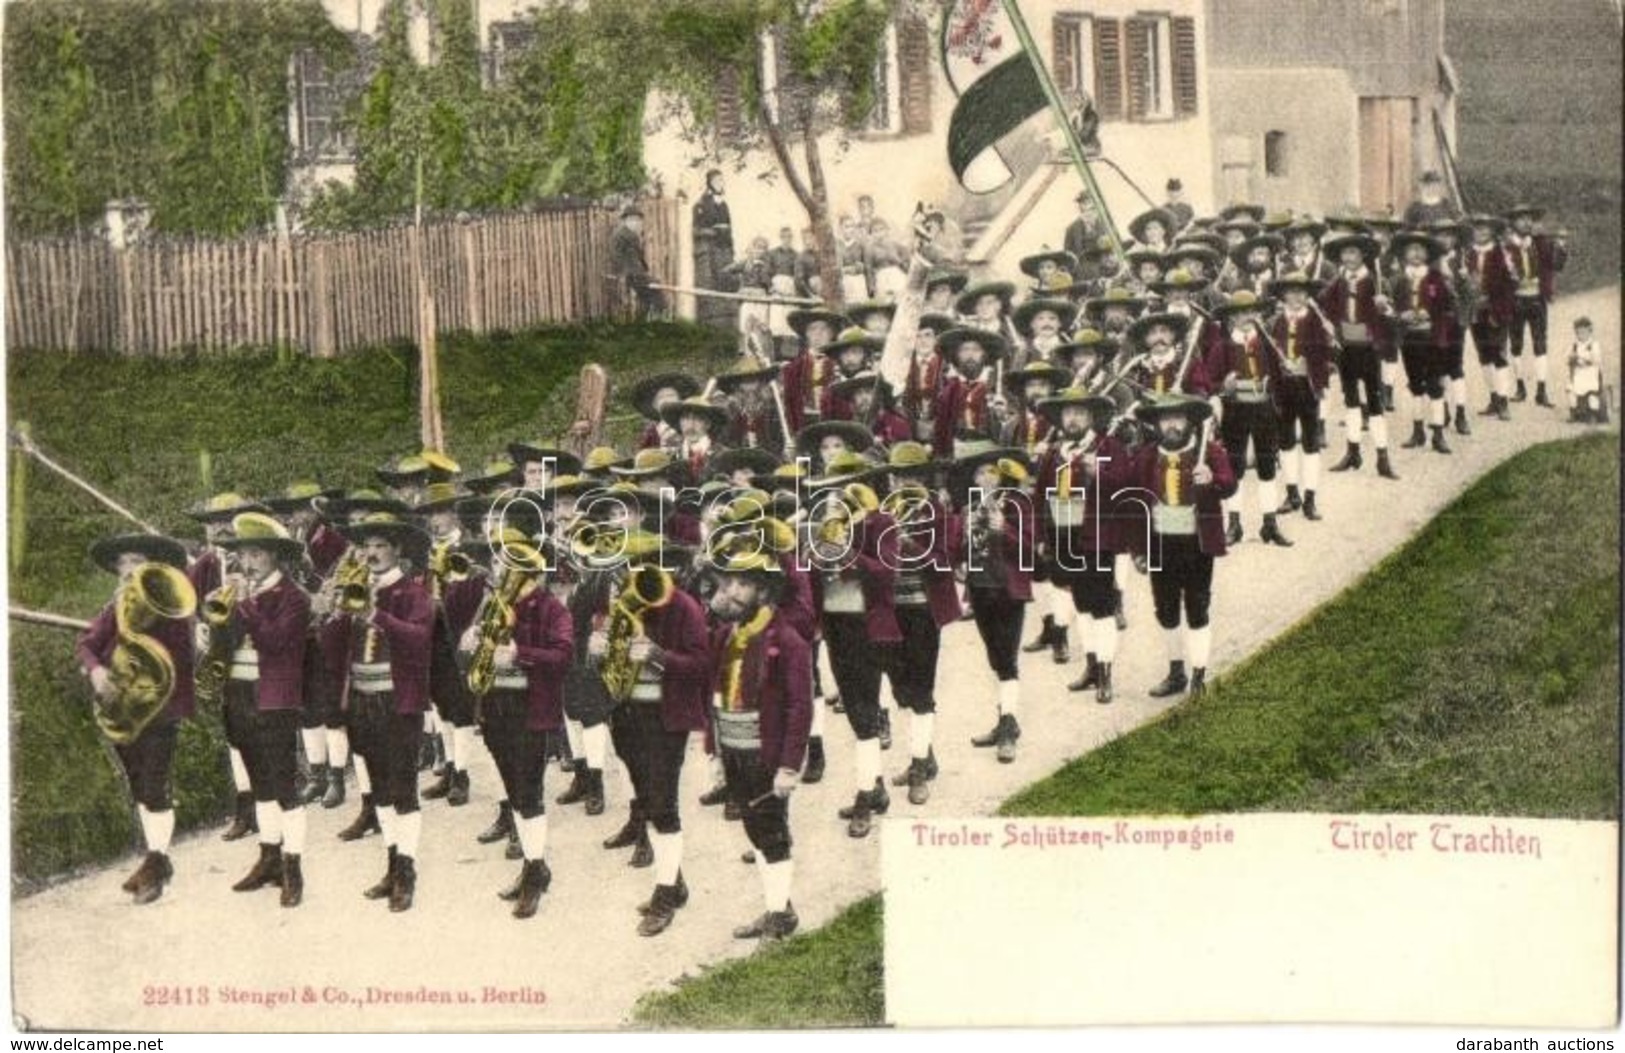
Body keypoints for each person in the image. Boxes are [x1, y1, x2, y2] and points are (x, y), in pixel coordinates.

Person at [588, 532, 711, 936]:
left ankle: (663, 893)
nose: (634, 574)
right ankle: (673, 883)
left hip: (665, 717)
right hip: (627, 713)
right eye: (629, 565)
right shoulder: (624, 602)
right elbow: (609, 662)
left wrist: (658, 655)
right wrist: (600, 648)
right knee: (647, 801)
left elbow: (700, 665)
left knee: (663, 805)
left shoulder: (684, 607)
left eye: (645, 563)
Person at [75, 533, 197, 904]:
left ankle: (155, 865)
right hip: (124, 709)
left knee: (154, 786)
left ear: (153, 565)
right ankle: (157, 861)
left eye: (136, 561)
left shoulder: (170, 602)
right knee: (139, 787)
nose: (128, 569)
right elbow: (86, 643)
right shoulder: (116, 604)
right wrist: (96, 671)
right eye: (123, 563)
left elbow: (183, 655)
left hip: (161, 708)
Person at [323, 511, 435, 913]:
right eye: (366, 546)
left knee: (403, 790)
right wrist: (336, 614)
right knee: (380, 790)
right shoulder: (355, 589)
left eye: (380, 546)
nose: (371, 554)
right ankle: (392, 862)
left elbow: (420, 640)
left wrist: (376, 615)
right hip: (361, 704)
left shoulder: (413, 593)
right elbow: (332, 649)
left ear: (397, 550)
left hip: (398, 704)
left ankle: (407, 871)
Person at [463, 529, 573, 920]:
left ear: (531, 574)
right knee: (514, 790)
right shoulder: (494, 605)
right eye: (502, 567)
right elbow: (477, 652)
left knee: (529, 795)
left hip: (531, 711)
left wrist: (520, 654)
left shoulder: (551, 609)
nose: (502, 576)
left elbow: (562, 657)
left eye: (510, 570)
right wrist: (473, 639)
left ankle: (534, 870)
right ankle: (534, 867)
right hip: (495, 709)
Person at [707, 550, 813, 943]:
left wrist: (789, 766)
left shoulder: (787, 641)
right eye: (728, 582)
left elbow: (800, 706)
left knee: (772, 833)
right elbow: (715, 695)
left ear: (765, 592)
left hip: (766, 757)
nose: (730, 592)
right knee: (754, 831)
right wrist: (715, 752)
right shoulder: (726, 635)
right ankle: (777, 906)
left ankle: (778, 916)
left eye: (743, 584)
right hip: (735, 752)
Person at [214, 513, 312, 908]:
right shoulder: (241, 595)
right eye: (242, 555)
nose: (247, 563)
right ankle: (269, 857)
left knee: (285, 788)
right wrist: (216, 623)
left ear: (274, 556)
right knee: (260, 785)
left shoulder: (294, 597)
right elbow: (227, 644)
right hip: (239, 696)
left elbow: (276, 641)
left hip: (275, 699)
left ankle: (293, 868)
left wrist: (246, 606)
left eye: (255, 554)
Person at [1112, 395, 1237, 700]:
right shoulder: (1146, 457)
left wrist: (1212, 478)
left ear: (1189, 421)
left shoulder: (1208, 451)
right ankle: (1176, 671)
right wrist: (1137, 550)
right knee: (1165, 609)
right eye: (1165, 419)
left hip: (1196, 543)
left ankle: (1198, 674)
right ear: (1156, 424)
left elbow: (1229, 483)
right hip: (1159, 543)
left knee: (1197, 608)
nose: (1171, 425)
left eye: (1177, 418)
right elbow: (1132, 503)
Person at [805, 452, 900, 837]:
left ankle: (865, 794)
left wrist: (849, 553)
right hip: (835, 624)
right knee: (855, 709)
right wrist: (814, 553)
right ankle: (875, 785)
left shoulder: (881, 522)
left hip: (866, 624)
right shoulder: (821, 522)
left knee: (863, 715)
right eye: (833, 487)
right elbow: (812, 576)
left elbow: (886, 573)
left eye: (847, 486)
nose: (838, 494)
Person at [1032, 390, 1126, 701]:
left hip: (1097, 540)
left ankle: (1106, 672)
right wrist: (1042, 538)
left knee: (1101, 607)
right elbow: (1040, 498)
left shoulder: (1108, 447)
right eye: (1067, 414)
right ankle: (1091, 666)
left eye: (1079, 413)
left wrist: (1100, 473)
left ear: (1091, 418)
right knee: (1081, 605)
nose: (1072, 419)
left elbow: (1127, 488)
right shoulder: (1055, 453)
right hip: (1064, 540)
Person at [951, 448, 1035, 763]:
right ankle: (1004, 719)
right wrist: (960, 554)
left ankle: (1009, 727)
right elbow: (959, 550)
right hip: (980, 589)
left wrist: (1005, 530)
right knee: (996, 660)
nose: (987, 478)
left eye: (992, 472)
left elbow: (1030, 549)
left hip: (1008, 590)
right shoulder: (968, 507)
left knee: (1008, 659)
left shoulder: (1017, 505)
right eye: (981, 473)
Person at [1205, 291, 1292, 547]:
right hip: (1236, 411)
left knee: (1267, 467)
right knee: (1235, 468)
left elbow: (1279, 378)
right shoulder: (1222, 347)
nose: (1246, 317)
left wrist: (1283, 377)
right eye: (1240, 313)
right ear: (1231, 319)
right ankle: (1234, 524)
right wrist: (1225, 386)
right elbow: (1211, 384)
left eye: (1251, 312)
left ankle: (1270, 524)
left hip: (1264, 409)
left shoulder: (1268, 345)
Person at [1320, 232, 1400, 480]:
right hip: (1346, 348)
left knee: (1375, 403)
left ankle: (1382, 457)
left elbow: (1392, 316)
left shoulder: (1377, 282)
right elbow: (1325, 304)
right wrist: (1328, 325)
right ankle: (1352, 452)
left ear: (1363, 255)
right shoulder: (1338, 281)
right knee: (1351, 400)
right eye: (1344, 253)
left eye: (1353, 252)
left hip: (1369, 349)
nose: (1348, 257)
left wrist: (1384, 306)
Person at [1268, 273, 1338, 521]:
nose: (1296, 297)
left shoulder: (1317, 321)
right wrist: (1281, 366)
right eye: (1290, 292)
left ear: (1308, 296)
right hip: (1285, 388)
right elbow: (1270, 355)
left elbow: (1328, 354)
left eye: (1301, 292)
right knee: (1286, 442)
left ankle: (1310, 498)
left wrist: (1308, 361)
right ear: (1283, 296)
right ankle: (1292, 493)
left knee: (1310, 443)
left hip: (1308, 387)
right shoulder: (1276, 322)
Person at [1385, 231, 1458, 455]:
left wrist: (1432, 313)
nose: (1416, 254)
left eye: (1420, 249)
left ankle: (1437, 432)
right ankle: (1418, 431)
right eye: (1411, 249)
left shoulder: (1437, 278)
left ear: (1428, 254)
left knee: (1435, 384)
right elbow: (1388, 308)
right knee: (1415, 383)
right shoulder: (1397, 280)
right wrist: (1400, 315)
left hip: (1432, 337)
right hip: (1410, 338)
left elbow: (1450, 305)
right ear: (1404, 254)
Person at [1501, 203, 1567, 406]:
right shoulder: (1505, 246)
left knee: (1540, 343)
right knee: (1516, 344)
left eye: (1530, 218)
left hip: (1537, 298)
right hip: (1515, 300)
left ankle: (1541, 390)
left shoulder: (1540, 243)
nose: (1527, 222)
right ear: (1512, 223)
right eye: (1521, 218)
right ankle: (1520, 386)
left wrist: (1562, 247)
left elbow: (1556, 265)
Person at [1461, 214, 1517, 421]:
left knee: (1499, 354)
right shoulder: (1467, 254)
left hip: (1496, 309)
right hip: (1476, 311)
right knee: (1483, 354)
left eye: (1485, 229)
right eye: (1477, 229)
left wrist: (1500, 310)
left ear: (1492, 231)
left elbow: (1512, 284)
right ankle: (1493, 397)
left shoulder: (1502, 253)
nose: (1481, 232)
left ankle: (1503, 401)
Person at [693, 170, 734, 328]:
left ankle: (724, 325)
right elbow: (695, 230)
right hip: (709, 250)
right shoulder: (701, 204)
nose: (721, 183)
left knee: (726, 282)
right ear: (709, 182)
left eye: (722, 180)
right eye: (717, 180)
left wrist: (731, 250)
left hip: (724, 250)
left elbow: (729, 229)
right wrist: (713, 231)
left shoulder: (724, 205)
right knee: (709, 286)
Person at [612, 205, 665, 320]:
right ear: (625, 220)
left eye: (638, 220)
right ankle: (656, 319)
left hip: (636, 273)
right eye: (632, 220)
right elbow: (617, 256)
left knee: (648, 296)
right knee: (658, 293)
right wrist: (623, 273)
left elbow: (638, 257)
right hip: (632, 274)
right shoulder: (622, 235)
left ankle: (646, 320)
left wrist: (645, 271)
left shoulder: (631, 235)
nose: (636, 223)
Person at [1566, 317, 1608, 424]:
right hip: (1578, 375)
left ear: (1590, 331)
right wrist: (1571, 358)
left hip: (1590, 375)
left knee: (1592, 394)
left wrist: (1585, 358)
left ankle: (1593, 414)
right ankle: (1573, 412)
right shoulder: (1574, 345)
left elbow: (1596, 359)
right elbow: (1567, 358)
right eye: (1579, 333)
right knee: (1571, 391)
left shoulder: (1594, 344)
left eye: (1584, 332)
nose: (1581, 335)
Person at [1064, 192, 1108, 275]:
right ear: (1080, 207)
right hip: (1081, 272)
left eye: (1090, 202)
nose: (1087, 206)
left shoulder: (1106, 226)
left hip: (1103, 270)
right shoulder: (1071, 229)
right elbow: (1068, 257)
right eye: (1084, 203)